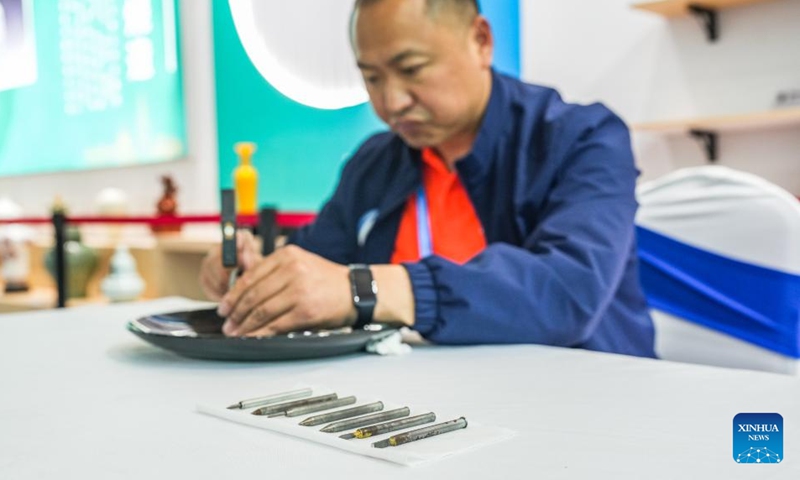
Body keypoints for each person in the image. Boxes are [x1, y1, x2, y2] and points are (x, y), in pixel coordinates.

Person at [200, 0, 656, 358]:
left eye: (412, 69)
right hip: (418, 405)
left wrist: (365, 289)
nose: (391, 102)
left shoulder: (582, 140)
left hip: (581, 400)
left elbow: (567, 292)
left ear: (480, 41)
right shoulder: (376, 162)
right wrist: (258, 271)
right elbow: (319, 259)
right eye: (372, 78)